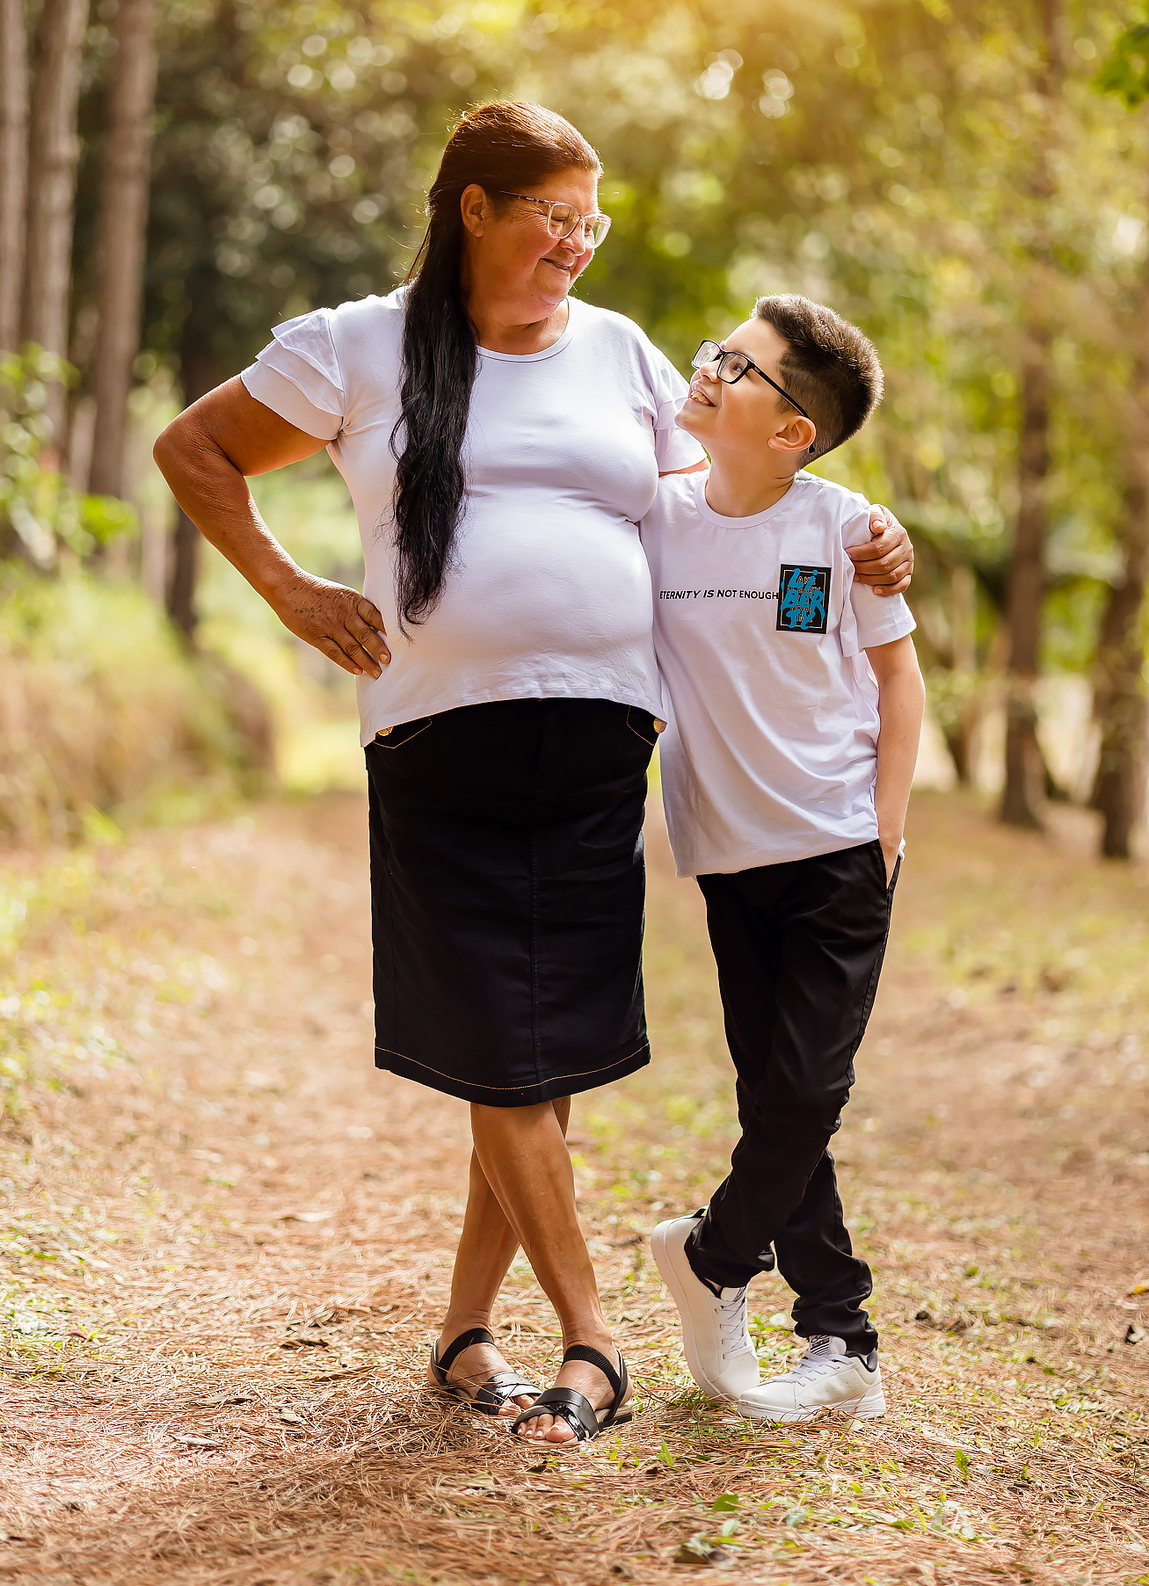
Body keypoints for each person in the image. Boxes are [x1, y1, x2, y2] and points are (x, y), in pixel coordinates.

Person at [153, 101, 915, 1449]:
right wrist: (287, 591)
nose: (576, 243)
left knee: (541, 1062)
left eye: (590, 221)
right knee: (505, 1061)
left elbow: (725, 494)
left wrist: (862, 536)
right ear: (475, 209)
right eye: (555, 216)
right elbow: (195, 449)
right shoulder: (358, 346)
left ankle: (462, 1333)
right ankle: (594, 1338)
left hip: (601, 751)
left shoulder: (618, 352)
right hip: (443, 734)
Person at [644, 295, 925, 1424]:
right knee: (777, 1097)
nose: (709, 370)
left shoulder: (845, 529)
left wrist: (887, 829)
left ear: (792, 430)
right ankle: (839, 1333)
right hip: (730, 857)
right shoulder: (652, 516)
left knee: (807, 1087)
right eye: (716, 351)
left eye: (740, 367)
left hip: (838, 848)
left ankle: (714, 1254)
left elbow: (899, 680)